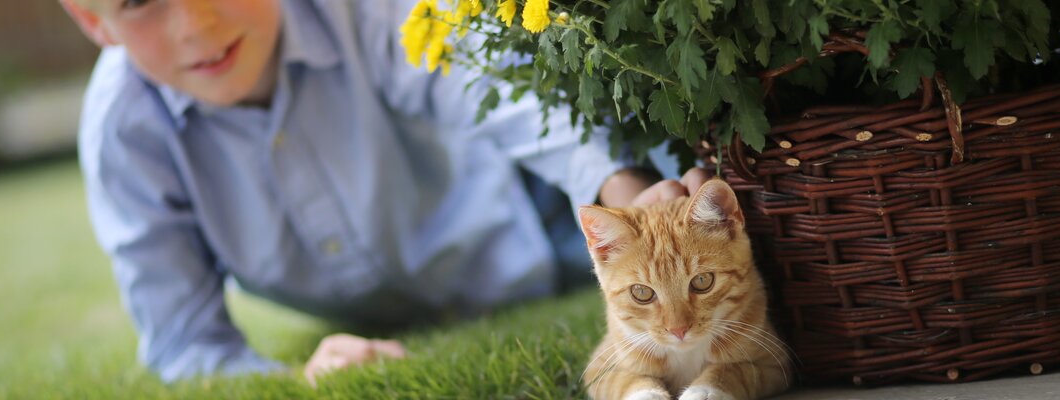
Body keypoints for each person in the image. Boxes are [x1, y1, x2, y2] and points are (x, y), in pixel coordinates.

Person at [60, 0, 706, 383]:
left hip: (541, 216)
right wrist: (297, 380)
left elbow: (492, 88)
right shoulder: (124, 134)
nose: (195, 24)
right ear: (94, 21)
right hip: (390, 308)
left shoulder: (356, 12)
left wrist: (619, 187)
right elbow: (184, 344)